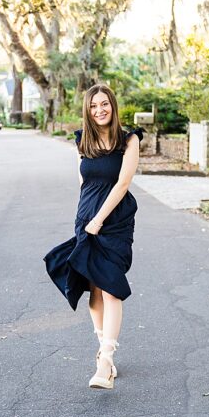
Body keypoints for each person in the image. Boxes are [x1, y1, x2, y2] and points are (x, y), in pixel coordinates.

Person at [44, 83, 144, 390]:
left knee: (111, 286)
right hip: (85, 221)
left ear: (113, 106)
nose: (99, 110)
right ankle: (105, 353)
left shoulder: (129, 140)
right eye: (93, 106)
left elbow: (123, 183)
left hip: (114, 224)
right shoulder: (81, 141)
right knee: (94, 290)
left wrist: (99, 220)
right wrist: (85, 220)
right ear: (88, 110)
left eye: (104, 104)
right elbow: (83, 183)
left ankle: (104, 361)